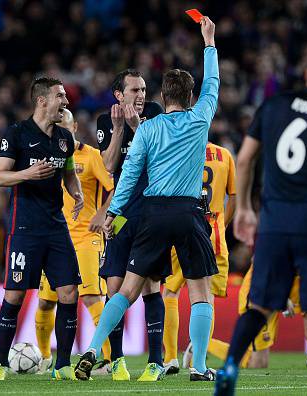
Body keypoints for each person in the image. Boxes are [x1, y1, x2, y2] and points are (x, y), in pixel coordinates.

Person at [75, 16, 219, 382]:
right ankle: (199, 367)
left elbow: (129, 175)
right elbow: (213, 85)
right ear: (189, 97)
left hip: (152, 214)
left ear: (161, 98)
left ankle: (93, 347)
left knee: (126, 289)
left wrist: (114, 212)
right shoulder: (200, 119)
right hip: (187, 213)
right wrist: (208, 42)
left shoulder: (149, 128)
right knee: (200, 293)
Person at [214, 44, 307, 396]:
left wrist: (245, 208)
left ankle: (230, 366)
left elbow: (245, 160)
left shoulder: (273, 106)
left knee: (260, 305)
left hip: (273, 225)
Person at [0, 77, 83, 381]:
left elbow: (68, 172)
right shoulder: (16, 134)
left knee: (69, 292)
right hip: (25, 228)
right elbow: (0, 178)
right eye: (60, 96)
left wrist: (76, 191)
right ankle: (1, 364)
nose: (65, 102)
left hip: (56, 227)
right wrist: (28, 173)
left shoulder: (64, 139)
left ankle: (63, 365)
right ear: (42, 100)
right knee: (15, 295)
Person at [95, 68, 166, 381]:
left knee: (151, 286)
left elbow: (158, 158)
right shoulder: (104, 121)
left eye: (143, 89)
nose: (141, 96)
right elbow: (109, 166)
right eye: (134, 90)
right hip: (122, 214)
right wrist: (118, 129)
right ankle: (118, 361)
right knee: (114, 288)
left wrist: (137, 126)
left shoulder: (155, 115)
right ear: (118, 95)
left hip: (151, 213)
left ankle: (155, 360)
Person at [34, 108, 114, 374]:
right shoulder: (46, 153)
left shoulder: (92, 157)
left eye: (64, 127)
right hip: (54, 236)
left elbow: (118, 187)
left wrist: (104, 215)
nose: (60, 132)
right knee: (46, 301)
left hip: (86, 238)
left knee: (92, 297)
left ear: (75, 127)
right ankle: (44, 358)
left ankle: (110, 359)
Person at [161, 142, 236, 374]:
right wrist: (221, 225)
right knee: (207, 297)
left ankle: (170, 357)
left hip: (182, 227)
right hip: (213, 235)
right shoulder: (224, 155)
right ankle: (198, 360)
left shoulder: (181, 148)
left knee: (170, 293)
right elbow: (233, 196)